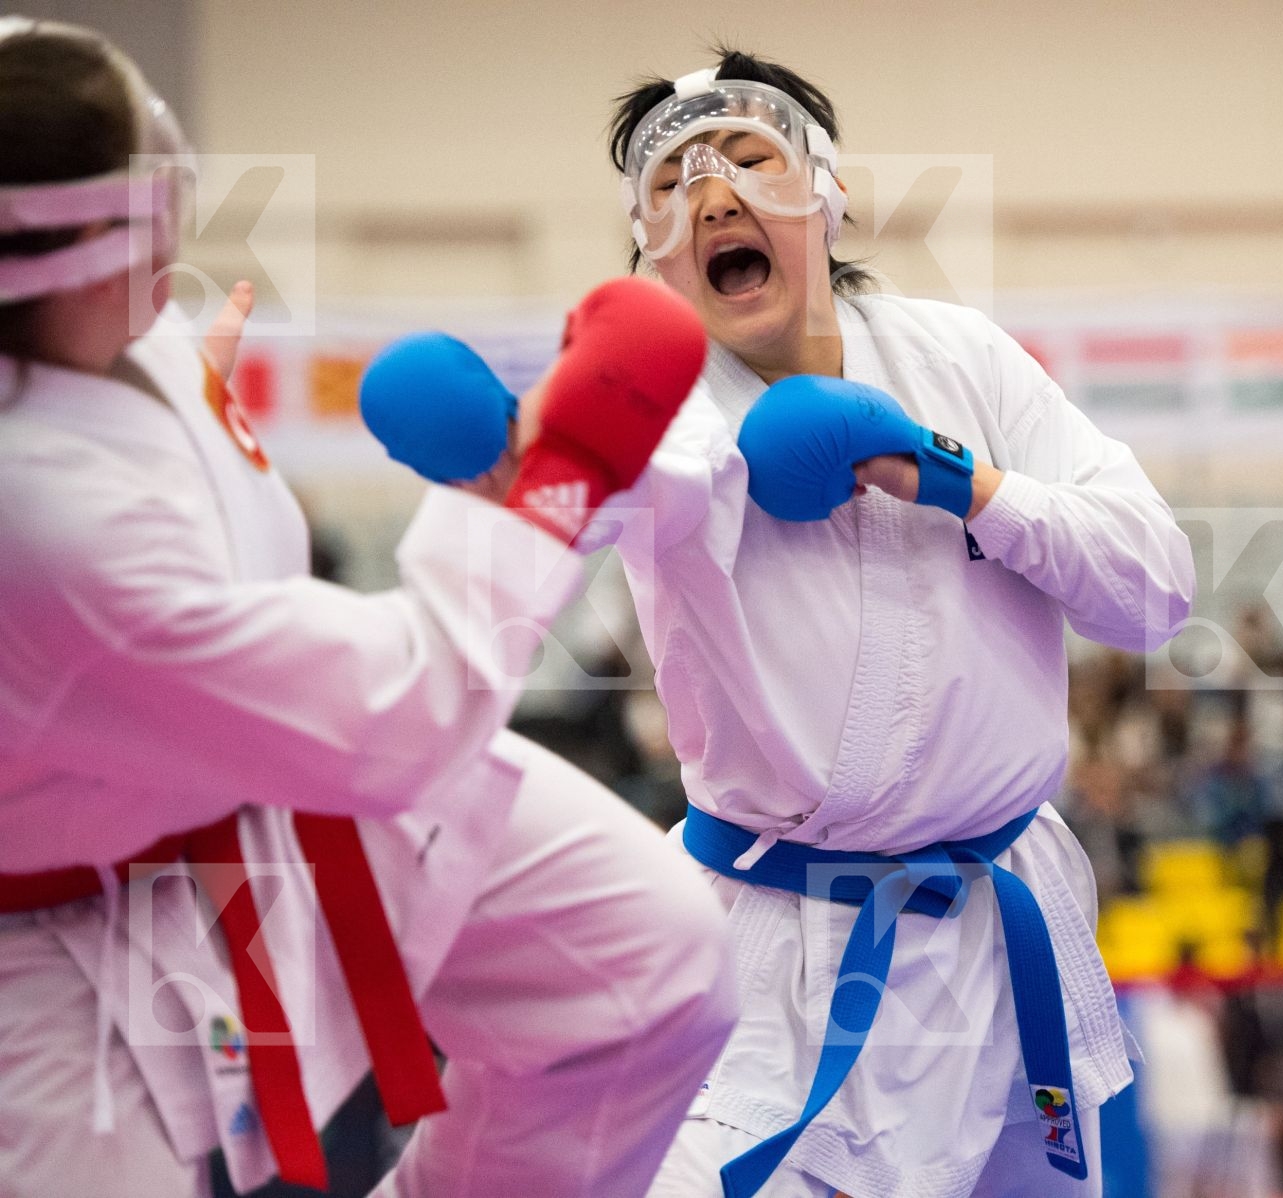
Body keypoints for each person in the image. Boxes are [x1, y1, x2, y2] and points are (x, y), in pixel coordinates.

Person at [0, 19, 734, 1197]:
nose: (175, 233)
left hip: (254, 786)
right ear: (58, 250)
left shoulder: (116, 340)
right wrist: (547, 478)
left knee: (647, 959)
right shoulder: (37, 514)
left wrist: (177, 427)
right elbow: (404, 714)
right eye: (145, 208)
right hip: (65, 942)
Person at [599, 48, 1195, 1198]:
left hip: (1001, 924)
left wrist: (963, 484)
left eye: (751, 160)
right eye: (672, 186)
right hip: (776, 949)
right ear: (652, 252)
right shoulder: (656, 416)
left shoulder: (959, 358)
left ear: (826, 194)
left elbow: (1156, 588)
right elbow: (618, 498)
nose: (714, 193)